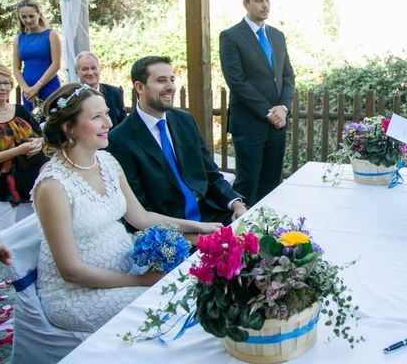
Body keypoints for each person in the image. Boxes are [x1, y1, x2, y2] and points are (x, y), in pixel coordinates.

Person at [32, 83, 222, 334]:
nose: (109, 123)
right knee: (172, 307)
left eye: (107, 113)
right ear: (69, 128)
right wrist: (142, 282)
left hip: (127, 266)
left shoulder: (107, 161)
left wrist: (199, 227)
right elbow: (71, 271)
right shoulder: (53, 187)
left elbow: (141, 217)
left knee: (195, 286)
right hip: (78, 294)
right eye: (96, 117)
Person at [107, 56, 247, 226]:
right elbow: (140, 209)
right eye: (161, 80)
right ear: (140, 87)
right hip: (171, 230)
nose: (170, 87)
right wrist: (196, 234)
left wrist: (236, 204)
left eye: (172, 79)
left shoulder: (184, 120)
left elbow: (211, 173)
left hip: (211, 214)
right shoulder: (120, 139)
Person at [219, 0, 295, 205]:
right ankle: (240, 234)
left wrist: (283, 108)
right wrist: (267, 111)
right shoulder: (231, 37)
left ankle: (269, 233)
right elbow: (236, 81)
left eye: (267, 0)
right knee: (248, 182)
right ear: (246, 4)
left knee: (272, 183)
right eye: (259, 0)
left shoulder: (277, 36)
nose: (265, 5)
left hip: (277, 125)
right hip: (249, 124)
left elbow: (287, 76)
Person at [0, 64, 48, 205]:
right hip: (4, 179)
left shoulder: (20, 110)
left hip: (35, 166)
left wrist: (39, 143)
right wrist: (19, 150)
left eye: (6, 82)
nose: (2, 88)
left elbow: (43, 136)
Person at [13, 0, 61, 112]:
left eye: (31, 16)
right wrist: (26, 89)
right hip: (28, 91)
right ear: (19, 17)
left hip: (49, 86)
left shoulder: (51, 35)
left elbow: (56, 65)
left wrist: (37, 87)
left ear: (38, 15)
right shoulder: (19, 39)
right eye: (24, 17)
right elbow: (16, 67)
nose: (28, 20)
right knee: (31, 123)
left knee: (51, 120)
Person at [75, 51, 127, 126]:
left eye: (93, 68)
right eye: (85, 69)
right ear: (77, 72)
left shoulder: (115, 93)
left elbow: (123, 123)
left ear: (99, 69)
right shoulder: (71, 96)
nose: (90, 73)